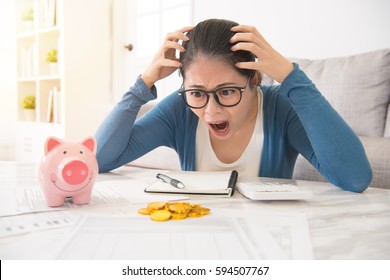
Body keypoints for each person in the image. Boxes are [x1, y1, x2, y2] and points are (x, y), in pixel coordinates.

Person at [95, 18, 372, 192]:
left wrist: (291, 77)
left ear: (254, 79)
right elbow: (99, 160)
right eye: (197, 93)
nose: (211, 112)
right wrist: (143, 83)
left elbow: (355, 178)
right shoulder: (179, 109)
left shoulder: (280, 109)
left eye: (227, 92)